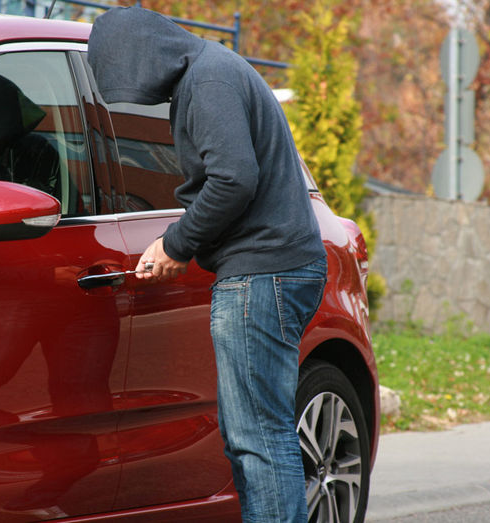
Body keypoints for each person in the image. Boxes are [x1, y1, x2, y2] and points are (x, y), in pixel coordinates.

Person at [88, 7, 327, 523]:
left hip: (261, 275)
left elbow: (233, 179)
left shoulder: (209, 80)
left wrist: (175, 245)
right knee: (256, 437)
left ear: (139, 55)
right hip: (277, 268)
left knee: (259, 441)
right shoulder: (213, 69)